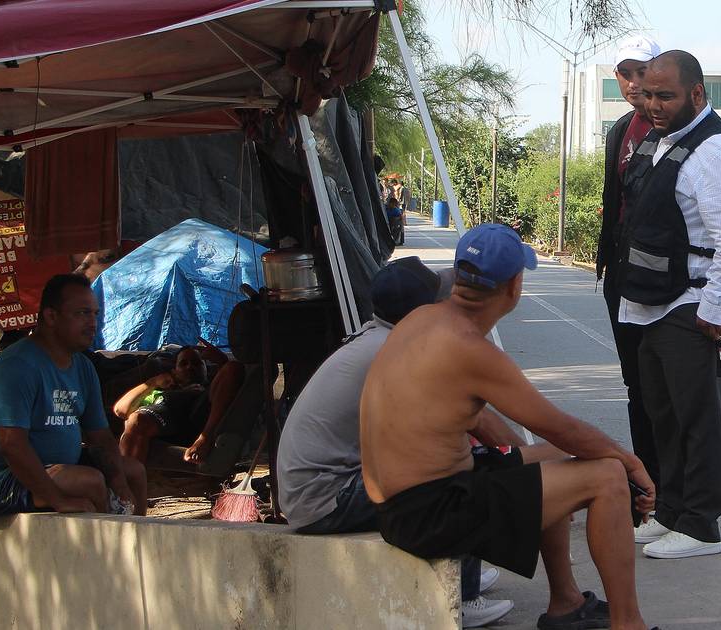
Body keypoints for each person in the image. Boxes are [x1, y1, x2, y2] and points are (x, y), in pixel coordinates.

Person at [362, 224, 656, 630]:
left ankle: (565, 603)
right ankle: (629, 623)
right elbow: (561, 427)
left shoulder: (421, 319)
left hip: (400, 502)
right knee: (605, 475)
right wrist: (629, 463)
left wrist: (536, 468)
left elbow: (552, 442)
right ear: (514, 287)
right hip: (427, 512)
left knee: (557, 461)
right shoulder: (471, 349)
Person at [277, 257, 521, 628]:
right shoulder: (403, 352)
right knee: (463, 479)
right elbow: (478, 423)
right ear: (422, 311)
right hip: (327, 497)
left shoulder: (379, 336)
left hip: (312, 490)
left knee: (457, 458)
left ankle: (461, 568)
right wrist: (528, 466)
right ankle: (462, 596)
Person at [615, 50, 721, 559]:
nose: (653, 104)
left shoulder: (717, 151)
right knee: (663, 414)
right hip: (657, 302)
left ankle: (699, 525)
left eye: (665, 95)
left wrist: (714, 310)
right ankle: (670, 512)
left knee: (696, 416)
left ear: (698, 94)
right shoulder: (660, 140)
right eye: (648, 94)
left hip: (695, 303)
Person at [0, 274, 147, 519]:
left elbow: (100, 437)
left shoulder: (83, 367)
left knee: (133, 471)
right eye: (82, 314)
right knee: (89, 481)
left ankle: (136, 548)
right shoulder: (16, 366)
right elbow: (11, 445)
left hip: (54, 466)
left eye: (95, 314)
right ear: (51, 316)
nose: (92, 323)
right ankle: (98, 555)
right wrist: (58, 499)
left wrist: (119, 483)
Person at [595, 34, 662, 539]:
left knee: (669, 393)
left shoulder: (676, 129)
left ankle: (675, 500)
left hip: (666, 285)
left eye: (642, 71)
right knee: (637, 389)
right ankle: (647, 492)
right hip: (621, 276)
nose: (635, 83)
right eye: (626, 72)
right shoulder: (621, 129)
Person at [115, 343, 246, 465]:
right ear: (174, 371)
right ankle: (128, 481)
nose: (190, 367)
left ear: (206, 369)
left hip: (200, 420)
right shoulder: (160, 390)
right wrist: (153, 382)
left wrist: (222, 361)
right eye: (183, 364)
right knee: (136, 419)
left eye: (197, 363)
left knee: (233, 367)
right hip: (164, 423)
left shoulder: (211, 388)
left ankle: (206, 439)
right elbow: (121, 410)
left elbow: (231, 376)